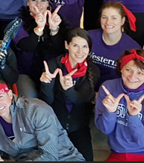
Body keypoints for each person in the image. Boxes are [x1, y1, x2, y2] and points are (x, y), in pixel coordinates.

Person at [0, 77, 85, 161]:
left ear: (10, 94)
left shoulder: (37, 110)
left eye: (0, 97)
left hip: (63, 158)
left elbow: (50, 156)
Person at [95, 49, 144, 161]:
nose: (133, 76)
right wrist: (110, 112)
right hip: (119, 152)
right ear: (121, 69)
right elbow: (105, 129)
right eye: (128, 69)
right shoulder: (108, 88)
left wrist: (133, 117)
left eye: (140, 72)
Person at [39, 28, 99, 161]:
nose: (80, 52)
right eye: (75, 45)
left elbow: (81, 100)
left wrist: (68, 89)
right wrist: (46, 84)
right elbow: (46, 101)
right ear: (67, 45)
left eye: (84, 47)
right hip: (54, 126)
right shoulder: (53, 66)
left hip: (79, 126)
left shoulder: (93, 70)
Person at [12, 0, 67, 98]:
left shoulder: (56, 20)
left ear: (48, 3)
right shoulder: (19, 23)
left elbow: (60, 49)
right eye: (34, 0)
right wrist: (39, 28)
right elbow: (27, 47)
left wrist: (54, 29)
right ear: (27, 2)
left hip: (51, 73)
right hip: (26, 73)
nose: (38, 4)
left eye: (43, 0)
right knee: (31, 99)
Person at [89, 2, 141, 87]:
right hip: (84, 90)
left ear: (122, 21)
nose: (108, 22)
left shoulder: (132, 48)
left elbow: (131, 80)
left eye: (114, 18)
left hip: (112, 93)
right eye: (104, 17)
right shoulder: (88, 37)